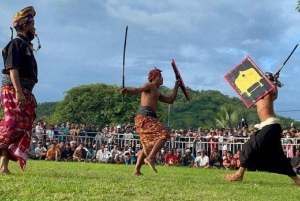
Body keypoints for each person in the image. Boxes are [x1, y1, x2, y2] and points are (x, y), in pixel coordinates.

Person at [224, 73, 300, 185]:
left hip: (271, 125)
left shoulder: (270, 92)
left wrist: (273, 80)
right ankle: (297, 181)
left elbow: (274, 92)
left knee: (249, 145)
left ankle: (239, 174)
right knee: (278, 156)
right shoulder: (258, 93)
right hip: (267, 126)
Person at [0, 6, 39, 173]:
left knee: (21, 127)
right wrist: (18, 91)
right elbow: (13, 69)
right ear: (25, 26)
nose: (34, 28)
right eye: (32, 25)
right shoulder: (16, 43)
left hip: (24, 90)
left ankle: (3, 167)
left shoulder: (24, 46)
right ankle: (3, 166)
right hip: (14, 89)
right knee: (12, 125)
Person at [120, 68, 180, 175]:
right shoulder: (149, 85)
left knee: (147, 145)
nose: (162, 79)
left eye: (161, 77)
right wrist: (127, 91)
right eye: (159, 77)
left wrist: (176, 86)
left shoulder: (157, 91)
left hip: (147, 117)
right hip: (145, 117)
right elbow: (138, 90)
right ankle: (150, 158)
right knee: (164, 134)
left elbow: (170, 100)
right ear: (153, 78)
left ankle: (137, 170)